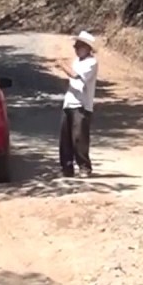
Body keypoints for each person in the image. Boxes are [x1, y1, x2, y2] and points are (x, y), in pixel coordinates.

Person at [55, 30, 99, 178]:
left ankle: (84, 167)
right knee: (65, 138)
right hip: (69, 103)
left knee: (79, 138)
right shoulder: (76, 62)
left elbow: (75, 75)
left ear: (87, 48)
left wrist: (62, 65)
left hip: (81, 105)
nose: (76, 48)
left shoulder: (91, 63)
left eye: (79, 46)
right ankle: (67, 167)